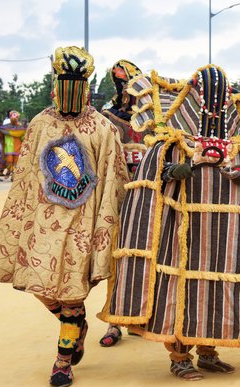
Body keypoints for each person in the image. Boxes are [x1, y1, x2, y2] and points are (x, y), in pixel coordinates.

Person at [0, 46, 129, 387]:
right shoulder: (39, 124)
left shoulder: (103, 128)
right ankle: (75, 324)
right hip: (43, 224)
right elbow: (27, 175)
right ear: (55, 86)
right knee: (41, 288)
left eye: (77, 84)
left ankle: (62, 361)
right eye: (65, 83)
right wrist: (21, 219)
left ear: (87, 88)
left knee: (72, 292)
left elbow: (112, 180)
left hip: (82, 223)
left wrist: (104, 226)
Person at [100, 65, 240, 381]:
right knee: (180, 287)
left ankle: (208, 352)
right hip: (182, 230)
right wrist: (172, 171)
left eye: (220, 97)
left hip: (224, 230)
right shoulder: (171, 133)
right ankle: (178, 356)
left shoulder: (239, 134)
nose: (214, 106)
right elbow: (150, 170)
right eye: (208, 97)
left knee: (216, 286)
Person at [98, 59, 147, 347]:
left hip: (150, 195)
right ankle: (114, 321)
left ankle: (141, 316)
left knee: (146, 255)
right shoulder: (107, 118)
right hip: (117, 196)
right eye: (123, 85)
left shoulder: (154, 117)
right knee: (116, 257)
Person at [0, 111, 27, 180]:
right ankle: (9, 170)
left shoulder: (20, 127)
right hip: (8, 147)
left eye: (16, 117)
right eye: (13, 117)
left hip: (17, 147)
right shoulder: (5, 127)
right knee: (9, 160)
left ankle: (13, 175)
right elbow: (0, 134)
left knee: (16, 162)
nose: (15, 118)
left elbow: (22, 137)